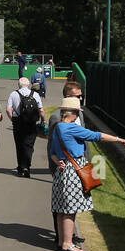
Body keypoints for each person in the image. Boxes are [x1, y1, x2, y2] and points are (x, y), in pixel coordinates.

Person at [49, 97, 125, 251]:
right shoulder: (72, 128)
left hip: (63, 171)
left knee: (61, 209)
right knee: (70, 211)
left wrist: (59, 162)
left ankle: (61, 242)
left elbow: (53, 153)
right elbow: (96, 136)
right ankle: (68, 243)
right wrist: (119, 139)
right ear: (73, 114)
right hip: (74, 171)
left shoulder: (58, 128)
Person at [48, 80, 86, 241]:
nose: (82, 98)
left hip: (79, 166)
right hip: (63, 167)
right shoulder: (57, 117)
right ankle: (61, 238)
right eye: (79, 96)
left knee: (74, 203)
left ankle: (70, 235)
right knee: (62, 205)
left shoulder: (79, 113)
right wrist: (55, 165)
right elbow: (52, 144)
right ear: (69, 97)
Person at [5, 76, 42, 177]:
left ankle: (21, 167)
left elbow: (8, 109)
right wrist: (43, 120)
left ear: (19, 85)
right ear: (29, 85)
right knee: (29, 145)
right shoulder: (35, 94)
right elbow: (41, 110)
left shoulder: (13, 94)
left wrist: (12, 119)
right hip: (31, 122)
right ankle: (27, 166)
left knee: (19, 144)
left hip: (18, 122)